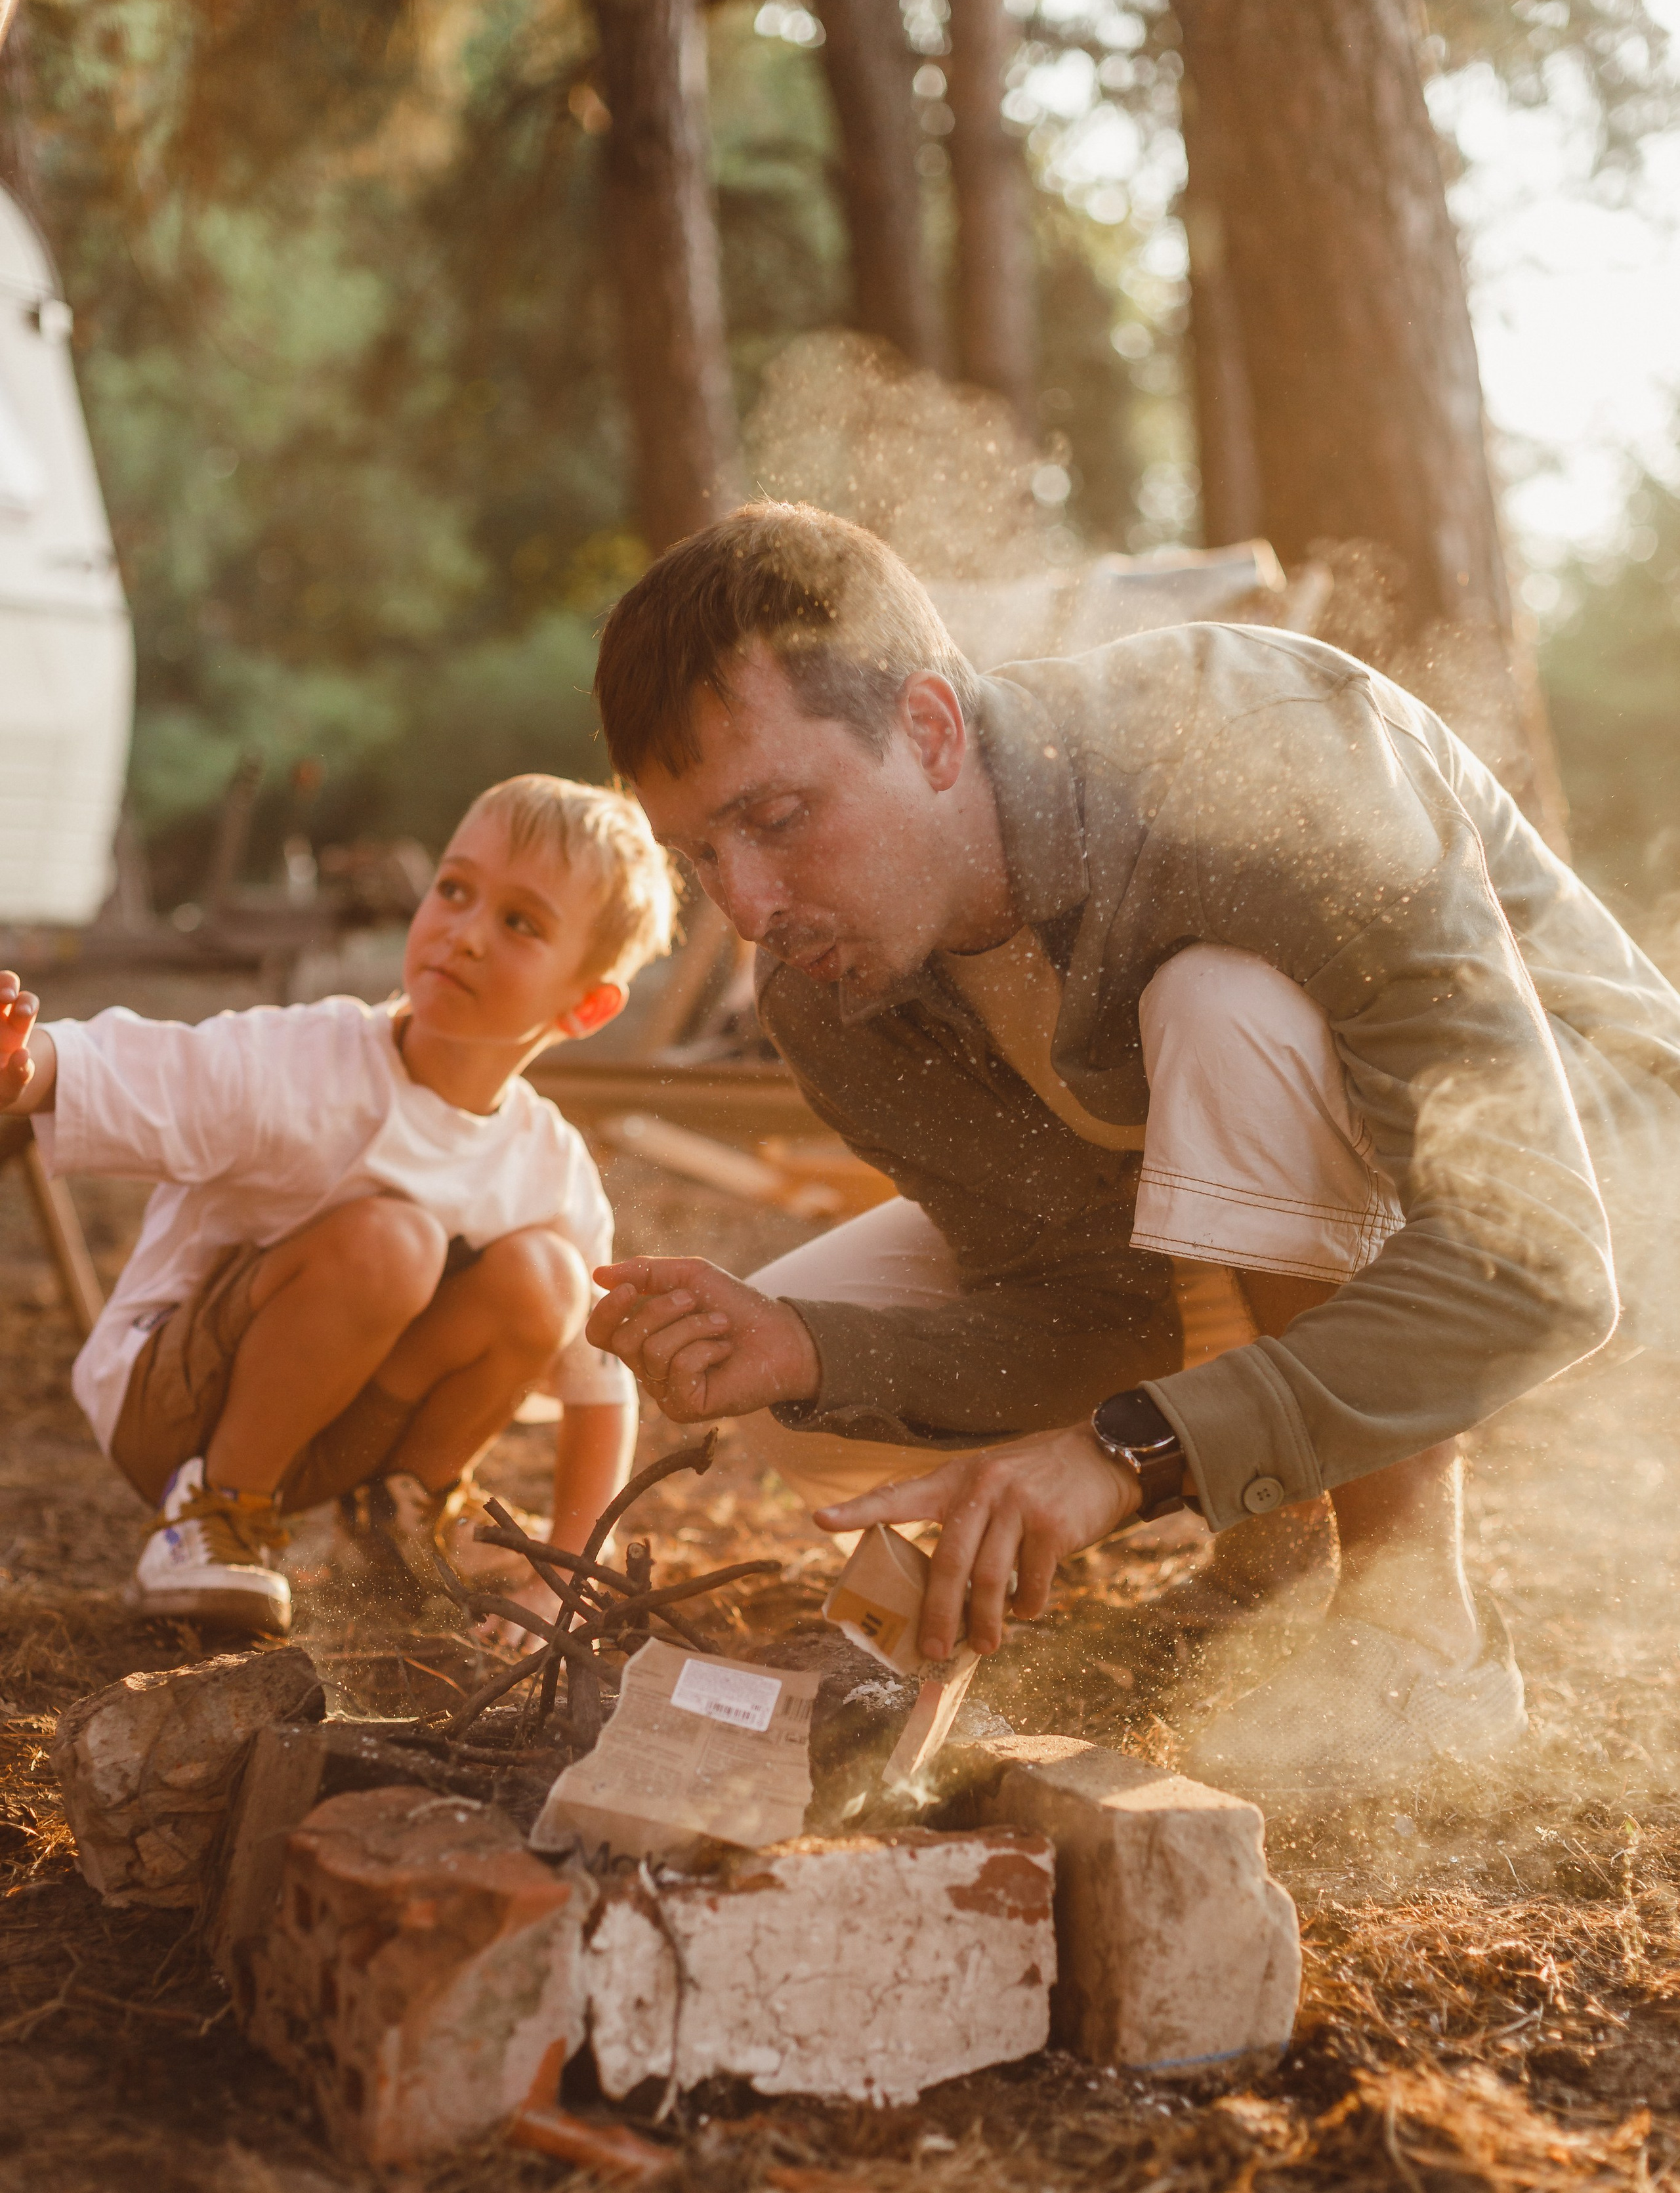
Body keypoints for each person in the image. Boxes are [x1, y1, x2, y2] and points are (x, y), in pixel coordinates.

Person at [582, 501, 1680, 1805]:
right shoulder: (827, 992)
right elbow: (1093, 1302)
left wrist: (1127, 1454)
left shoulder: (1258, 762)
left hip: (1596, 1167)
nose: (748, 904)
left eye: (776, 817)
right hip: (1280, 1215)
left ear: (929, 731)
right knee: (802, 1395)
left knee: (1222, 1003)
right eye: (700, 851)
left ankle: (1411, 1624)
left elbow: (1538, 1261)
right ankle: (1263, 1569)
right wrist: (814, 1347)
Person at [0, 774, 671, 1637]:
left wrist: (568, 1577)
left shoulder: (550, 1166)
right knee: (391, 1241)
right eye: (454, 890)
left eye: (519, 923)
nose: (464, 934)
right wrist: (30, 1067)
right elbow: (158, 1067)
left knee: (549, 1276)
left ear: (586, 1004)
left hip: (339, 1433)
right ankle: (213, 1520)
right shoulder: (311, 1063)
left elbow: (600, 1389)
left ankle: (403, 1521)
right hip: (172, 1414)